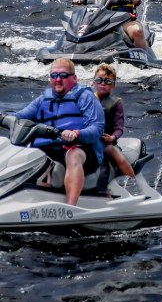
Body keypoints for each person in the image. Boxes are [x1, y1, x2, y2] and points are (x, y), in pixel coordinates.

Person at [15, 59, 105, 205]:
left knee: (73, 155)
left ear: (74, 78)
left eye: (63, 75)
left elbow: (97, 128)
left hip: (82, 148)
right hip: (50, 147)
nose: (58, 79)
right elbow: (18, 117)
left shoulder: (85, 97)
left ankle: (71, 207)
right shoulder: (43, 99)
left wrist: (76, 133)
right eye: (54, 75)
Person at [93, 63, 136, 180]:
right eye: (99, 80)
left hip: (107, 142)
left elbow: (119, 128)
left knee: (119, 158)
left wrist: (111, 138)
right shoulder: (87, 100)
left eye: (108, 81)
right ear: (93, 82)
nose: (103, 84)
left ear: (113, 86)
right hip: (89, 139)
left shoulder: (116, 103)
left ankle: (133, 183)